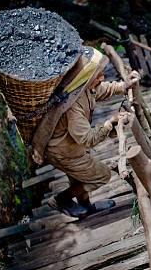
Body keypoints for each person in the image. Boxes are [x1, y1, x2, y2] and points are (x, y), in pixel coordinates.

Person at [39, 47, 140, 218]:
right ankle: (60, 200)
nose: (102, 78)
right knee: (100, 175)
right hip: (63, 151)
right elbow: (87, 139)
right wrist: (109, 123)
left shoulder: (84, 87)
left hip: (70, 145)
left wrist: (123, 86)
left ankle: (86, 208)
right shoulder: (72, 106)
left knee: (78, 179)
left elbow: (102, 89)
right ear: (87, 78)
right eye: (98, 75)